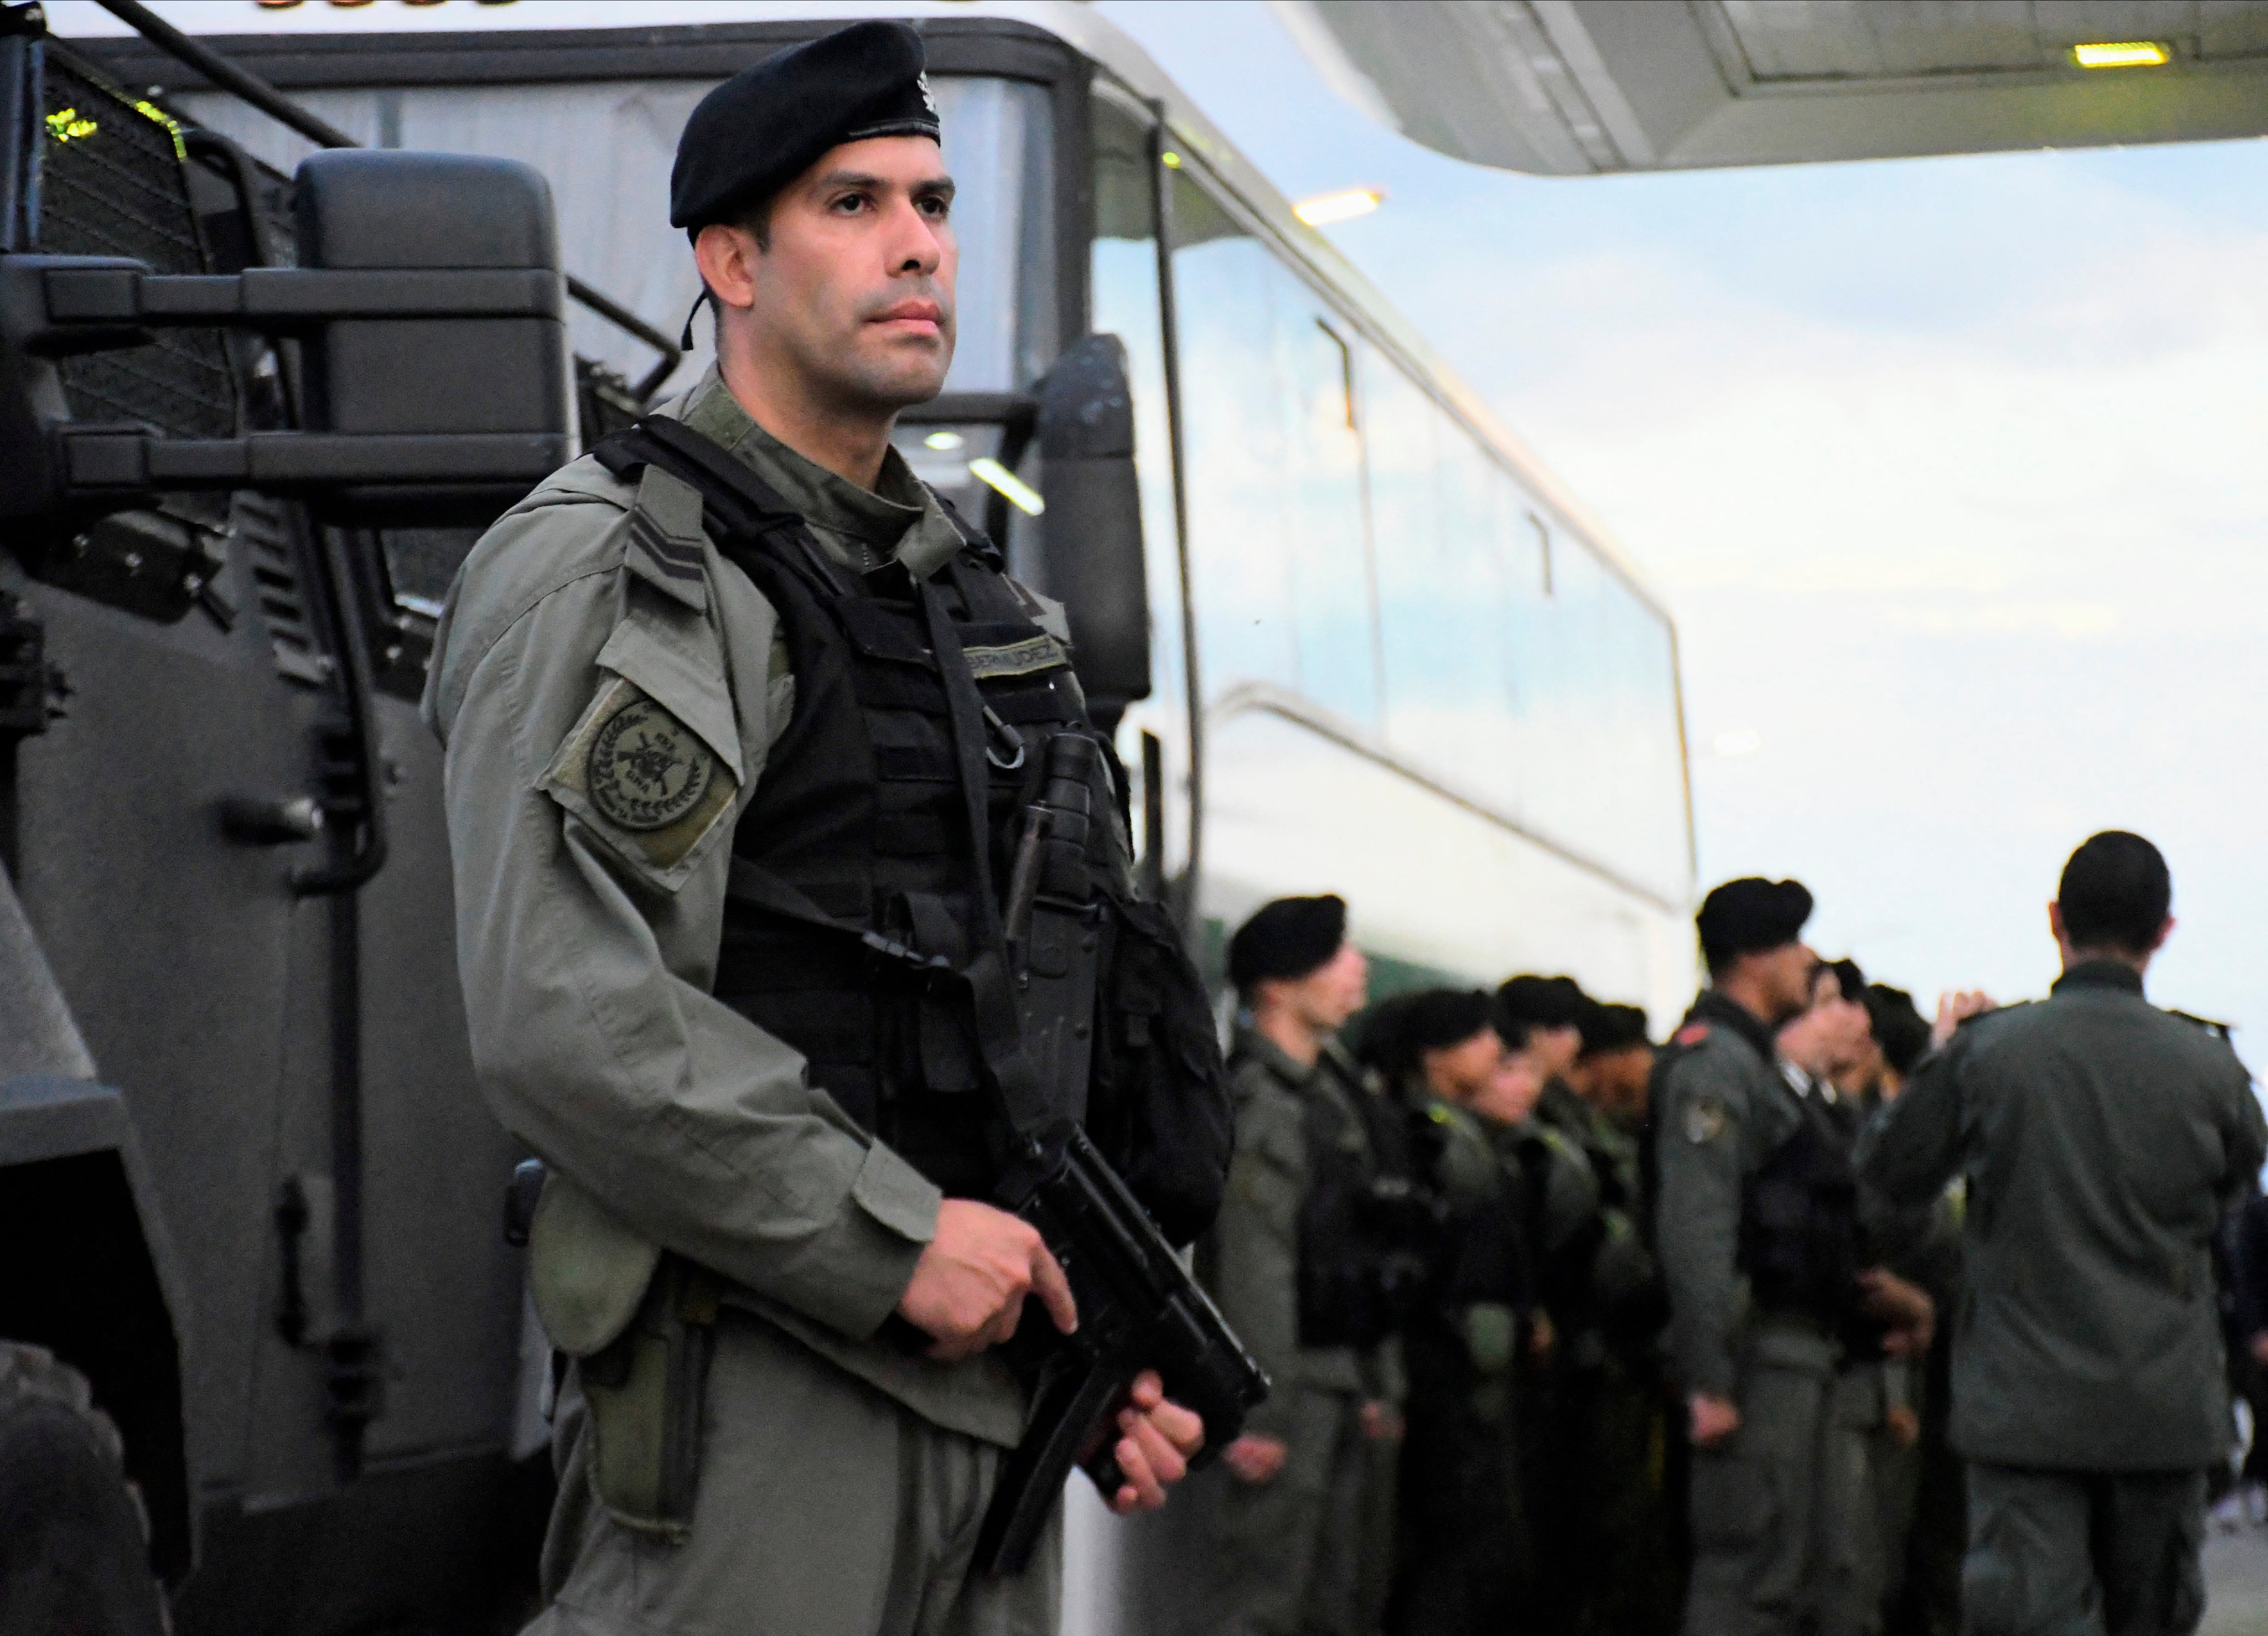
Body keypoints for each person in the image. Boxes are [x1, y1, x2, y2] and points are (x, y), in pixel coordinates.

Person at [424, 25, 1212, 1634]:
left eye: (931, 200)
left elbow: (1040, 1019)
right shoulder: (630, 567)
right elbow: (571, 1008)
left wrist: (1094, 1327)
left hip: (982, 1403)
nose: (918, 241)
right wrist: (897, 1237)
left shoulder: (979, 609)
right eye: (852, 203)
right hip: (765, 1382)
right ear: (731, 260)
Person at [1859, 832, 2268, 1636]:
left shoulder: (1988, 1054)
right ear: (2165, 930)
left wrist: (1939, 1057)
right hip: (2163, 1407)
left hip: (2026, 1411)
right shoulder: (2210, 1066)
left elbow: (1890, 1177)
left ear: (2055, 918)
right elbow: (2235, 1187)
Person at [1652, 879, 1931, 1636]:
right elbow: (1698, 1226)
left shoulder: (1750, 1065)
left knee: (1800, 1568)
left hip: (1796, 1353)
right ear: (1753, 956)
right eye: (1793, 944)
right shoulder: (1715, 1065)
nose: (1806, 960)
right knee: (1749, 1575)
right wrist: (1709, 1376)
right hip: (1754, 1358)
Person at [1204, 896, 1407, 1636]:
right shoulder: (1267, 1104)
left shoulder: (1329, 1097)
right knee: (1265, 1602)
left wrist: (1378, 1379)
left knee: (1336, 1601)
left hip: (1336, 1379)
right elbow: (1259, 1264)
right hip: (1294, 1388)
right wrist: (1261, 1408)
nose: (1358, 969)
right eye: (1335, 956)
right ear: (1277, 987)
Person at [1368, 989, 1536, 1636]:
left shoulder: (1457, 1131)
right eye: (1476, 1036)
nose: (1494, 1050)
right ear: (1436, 1054)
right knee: (1448, 1545)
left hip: (1466, 1366)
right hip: (1443, 1367)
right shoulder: (1424, 1136)